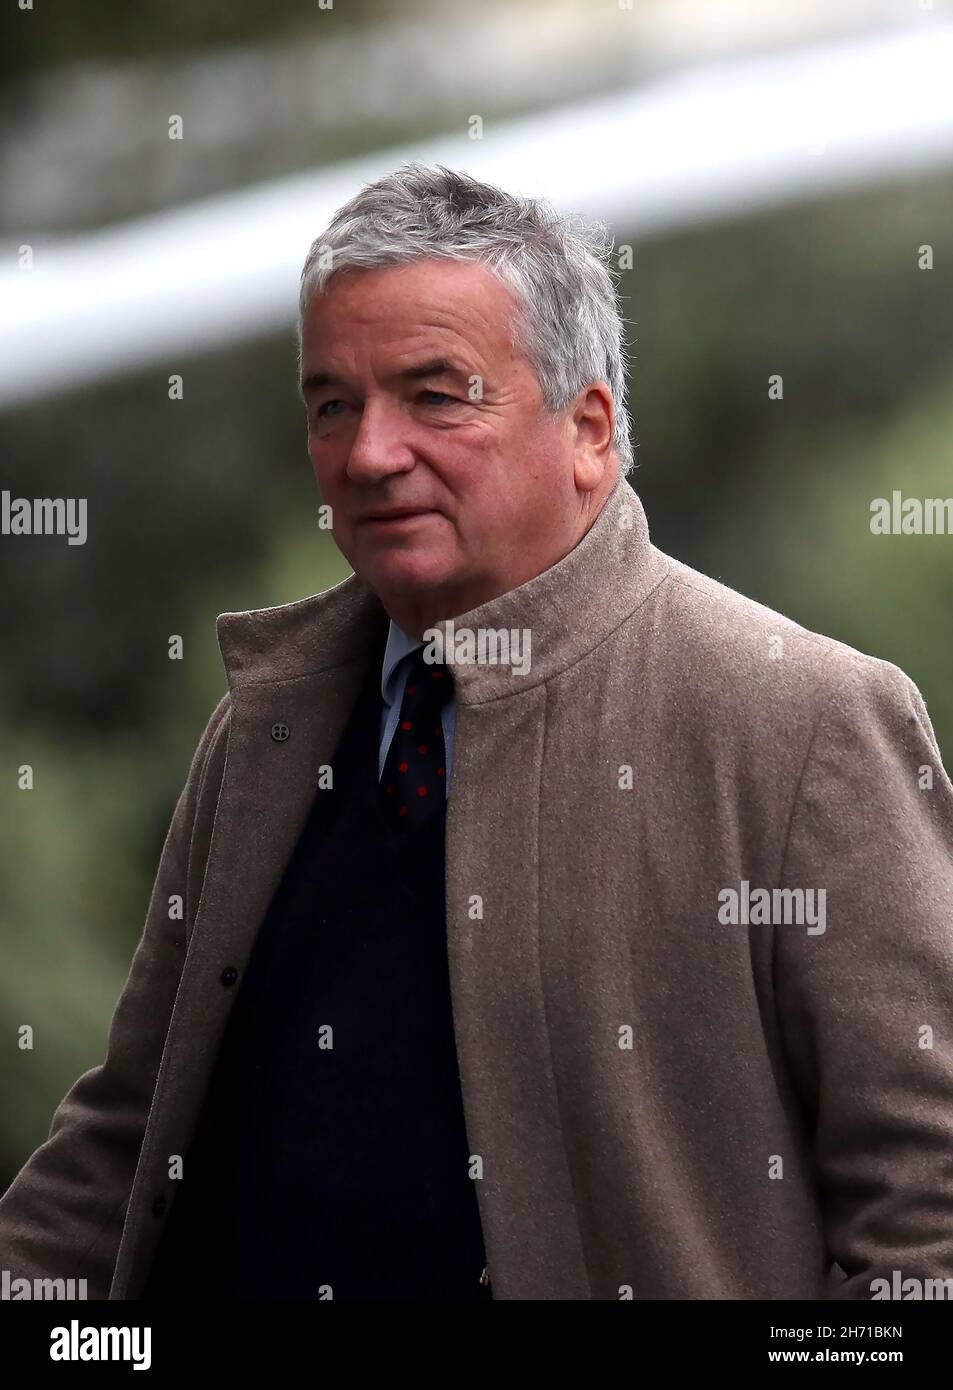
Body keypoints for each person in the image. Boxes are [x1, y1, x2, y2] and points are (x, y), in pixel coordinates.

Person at [3, 162, 953, 1301]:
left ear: (588, 429)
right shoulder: (265, 723)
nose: (367, 454)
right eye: (331, 405)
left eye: (435, 396)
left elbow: (925, 1220)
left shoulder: (803, 721)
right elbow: (122, 1140)